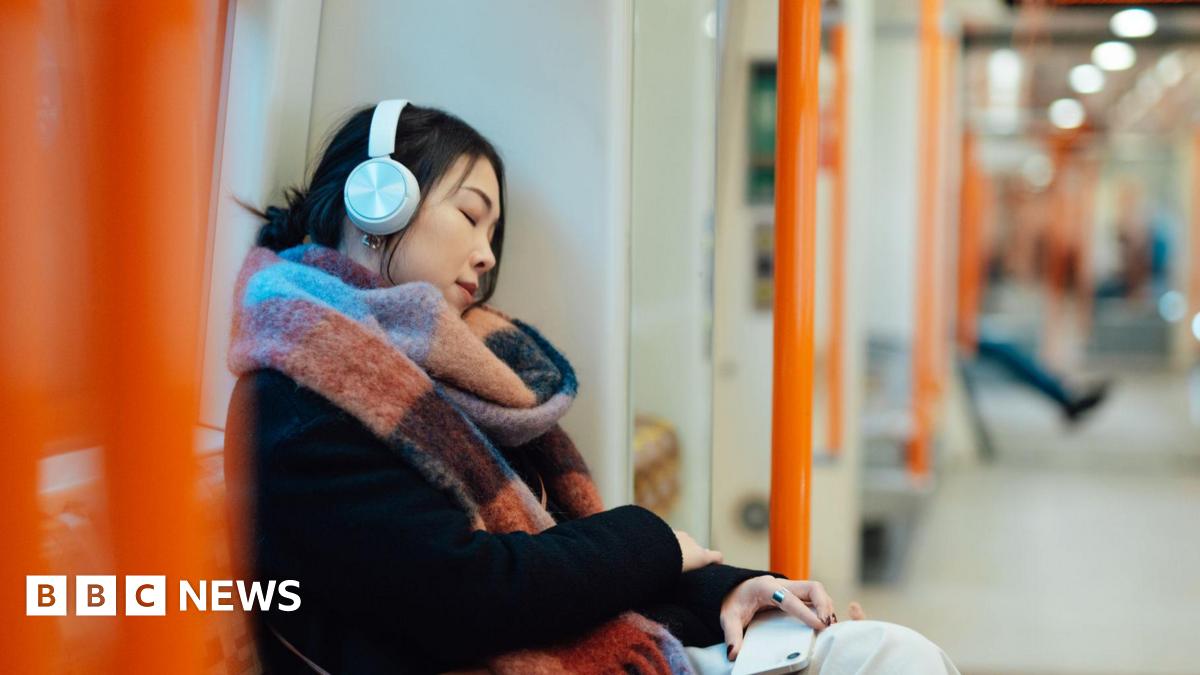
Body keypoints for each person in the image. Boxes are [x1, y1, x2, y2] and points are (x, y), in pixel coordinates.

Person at [223, 100, 959, 674]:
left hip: (566, 645)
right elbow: (472, 595)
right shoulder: (296, 395)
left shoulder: (445, 376)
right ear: (375, 198)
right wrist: (659, 542)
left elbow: (558, 554)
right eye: (471, 215)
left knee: (882, 652)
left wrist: (726, 588)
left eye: (494, 233)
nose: (484, 255)